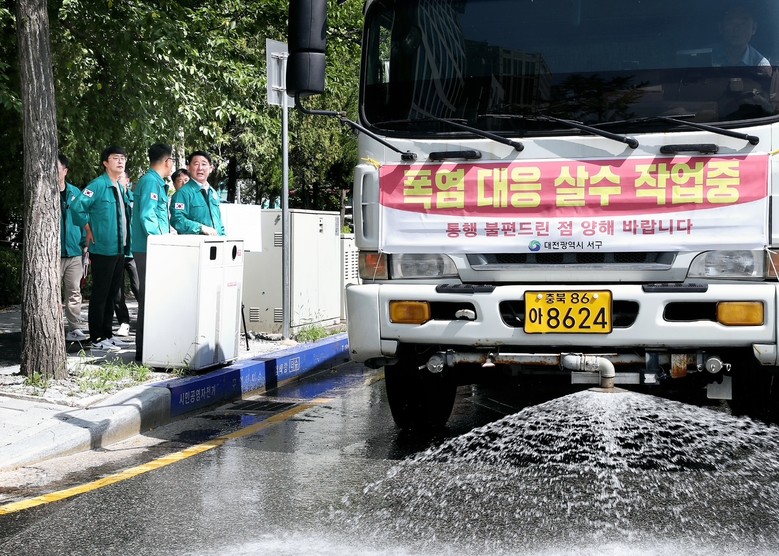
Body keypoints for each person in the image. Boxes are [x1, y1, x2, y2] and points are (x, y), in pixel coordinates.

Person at [71, 146, 132, 351]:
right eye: (115, 158)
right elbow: (77, 207)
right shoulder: (98, 185)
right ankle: (96, 337)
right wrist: (88, 228)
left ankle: (107, 334)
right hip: (103, 249)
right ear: (106, 163)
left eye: (123, 158)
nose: (121, 161)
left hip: (119, 248)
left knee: (112, 294)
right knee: (100, 294)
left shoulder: (120, 186)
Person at [130, 143, 175, 362]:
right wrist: (161, 242)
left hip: (152, 247)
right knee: (149, 299)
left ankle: (152, 348)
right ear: (168, 161)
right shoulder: (150, 182)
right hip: (149, 249)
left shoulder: (155, 182)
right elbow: (147, 216)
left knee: (154, 298)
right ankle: (144, 351)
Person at [58, 154, 88, 342]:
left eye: (56, 168)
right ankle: (52, 328)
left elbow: (84, 219)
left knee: (74, 292)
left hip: (75, 252)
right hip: (52, 254)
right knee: (50, 292)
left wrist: (84, 243)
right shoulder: (44, 192)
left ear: (65, 171)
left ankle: (75, 328)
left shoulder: (76, 192)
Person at [169, 151, 226, 236]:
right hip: (194, 243)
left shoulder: (213, 193)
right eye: (196, 164)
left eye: (204, 164)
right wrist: (201, 228)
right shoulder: (183, 193)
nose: (200, 168)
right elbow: (177, 220)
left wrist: (223, 238)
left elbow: (219, 222)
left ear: (210, 168)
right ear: (188, 168)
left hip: (215, 242)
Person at [113, 171, 140, 337]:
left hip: (132, 250)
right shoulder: (112, 198)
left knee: (139, 287)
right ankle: (124, 322)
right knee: (117, 290)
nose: (117, 180)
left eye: (120, 178)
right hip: (116, 250)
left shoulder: (135, 199)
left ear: (128, 181)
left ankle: (146, 317)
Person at [713, 4, 771, 71]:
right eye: (731, 22)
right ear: (720, 27)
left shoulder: (761, 65)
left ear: (754, 28)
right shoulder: (705, 57)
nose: (736, 28)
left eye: (743, 23)